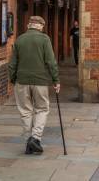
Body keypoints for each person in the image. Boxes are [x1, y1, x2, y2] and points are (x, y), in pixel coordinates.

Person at [8, 16, 60, 155]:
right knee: (42, 109)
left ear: (28, 25)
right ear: (41, 26)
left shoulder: (19, 39)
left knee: (25, 111)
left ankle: (28, 141)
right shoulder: (44, 39)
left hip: (21, 81)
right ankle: (35, 138)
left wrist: (14, 79)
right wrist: (56, 80)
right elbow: (51, 62)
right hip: (40, 81)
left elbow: (12, 64)